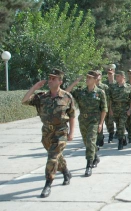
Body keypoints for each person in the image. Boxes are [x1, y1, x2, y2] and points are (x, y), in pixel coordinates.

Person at [21, 69, 75, 198]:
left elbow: (72, 115)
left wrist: (71, 133)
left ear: (60, 81)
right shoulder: (42, 96)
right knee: (56, 156)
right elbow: (24, 100)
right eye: (49, 78)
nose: (50, 81)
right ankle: (66, 171)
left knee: (52, 157)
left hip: (61, 131)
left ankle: (48, 184)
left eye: (54, 79)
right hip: (46, 132)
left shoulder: (67, 97)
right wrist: (35, 87)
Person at [66, 71, 107, 177]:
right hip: (83, 120)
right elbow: (65, 94)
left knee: (90, 141)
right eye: (87, 77)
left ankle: (88, 165)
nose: (87, 79)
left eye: (89, 78)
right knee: (87, 143)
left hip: (94, 120)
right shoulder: (81, 92)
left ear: (95, 80)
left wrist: (101, 123)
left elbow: (104, 109)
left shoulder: (100, 92)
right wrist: (75, 82)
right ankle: (95, 157)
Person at [109, 71, 131, 150]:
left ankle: (120, 143)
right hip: (115, 108)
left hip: (124, 109)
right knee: (118, 125)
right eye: (116, 76)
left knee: (121, 125)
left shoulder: (129, 87)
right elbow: (110, 99)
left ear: (123, 77)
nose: (117, 77)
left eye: (118, 76)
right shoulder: (113, 87)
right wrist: (110, 109)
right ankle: (123, 138)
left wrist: (130, 109)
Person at [103, 64, 117, 143]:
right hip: (106, 105)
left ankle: (118, 133)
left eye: (111, 73)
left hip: (116, 106)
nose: (109, 74)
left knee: (115, 120)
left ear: (114, 72)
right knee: (107, 121)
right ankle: (111, 133)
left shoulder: (116, 83)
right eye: (108, 73)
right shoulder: (104, 84)